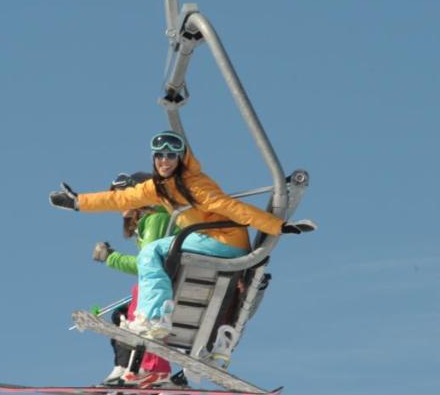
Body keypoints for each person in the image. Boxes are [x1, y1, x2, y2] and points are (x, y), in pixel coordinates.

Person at [51, 130, 313, 343]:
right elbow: (119, 197)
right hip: (208, 240)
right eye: (160, 156)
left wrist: (278, 226)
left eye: (171, 156)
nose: (164, 161)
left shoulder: (194, 184)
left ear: (180, 159)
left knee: (151, 252)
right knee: (154, 252)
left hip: (224, 242)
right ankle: (156, 316)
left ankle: (155, 317)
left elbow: (234, 209)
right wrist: (77, 202)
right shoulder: (158, 187)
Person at [91, 172, 178, 387]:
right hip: (165, 287)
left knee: (137, 310)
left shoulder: (157, 218)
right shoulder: (149, 221)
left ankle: (151, 369)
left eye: (126, 195)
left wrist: (111, 257)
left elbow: (148, 264)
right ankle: (124, 368)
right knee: (119, 316)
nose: (121, 202)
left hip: (163, 291)